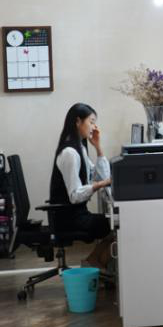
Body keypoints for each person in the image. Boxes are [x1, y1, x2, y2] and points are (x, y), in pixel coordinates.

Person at [50, 102, 114, 269]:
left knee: (115, 222)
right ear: (78, 121)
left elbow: (100, 175)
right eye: (91, 122)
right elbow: (75, 195)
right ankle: (93, 263)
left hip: (77, 214)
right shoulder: (70, 153)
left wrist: (98, 147)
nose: (94, 127)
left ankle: (92, 262)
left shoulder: (80, 148)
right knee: (117, 224)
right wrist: (101, 184)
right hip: (70, 218)